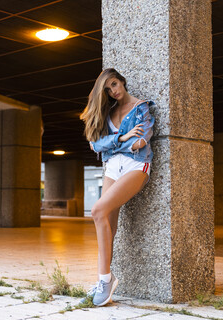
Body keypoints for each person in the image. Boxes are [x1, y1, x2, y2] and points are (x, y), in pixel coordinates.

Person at [79, 68, 155, 306]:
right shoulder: (108, 112)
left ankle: (105, 280)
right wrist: (122, 139)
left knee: (97, 210)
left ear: (122, 81)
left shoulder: (141, 107)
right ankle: (104, 280)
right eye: (109, 89)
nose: (114, 91)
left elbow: (140, 142)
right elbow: (94, 145)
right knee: (108, 226)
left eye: (114, 84)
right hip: (113, 168)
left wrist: (111, 144)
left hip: (136, 166)